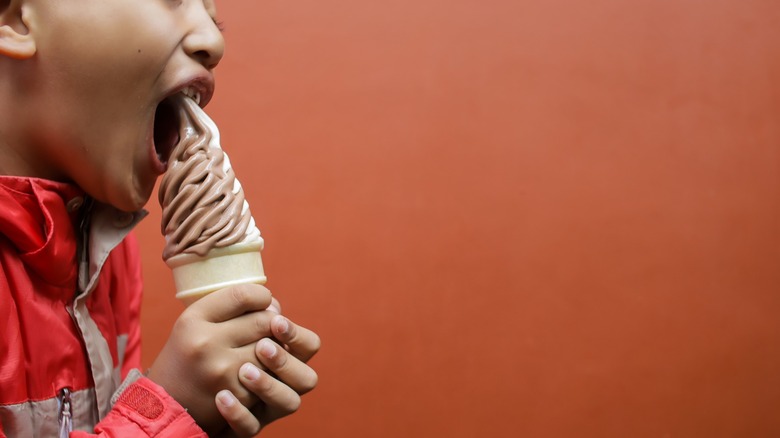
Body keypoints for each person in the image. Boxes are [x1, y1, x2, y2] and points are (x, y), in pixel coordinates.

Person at [0, 0, 321, 436]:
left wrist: (201, 416)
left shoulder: (105, 250)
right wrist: (167, 410)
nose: (214, 41)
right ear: (16, 19)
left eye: (213, 16)